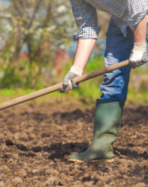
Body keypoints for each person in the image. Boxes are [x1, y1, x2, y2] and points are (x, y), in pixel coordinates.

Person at [60, 0, 148, 162]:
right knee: (113, 77)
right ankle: (101, 146)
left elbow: (140, 5)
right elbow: (87, 27)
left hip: (144, 11)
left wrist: (140, 47)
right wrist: (76, 69)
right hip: (121, 19)